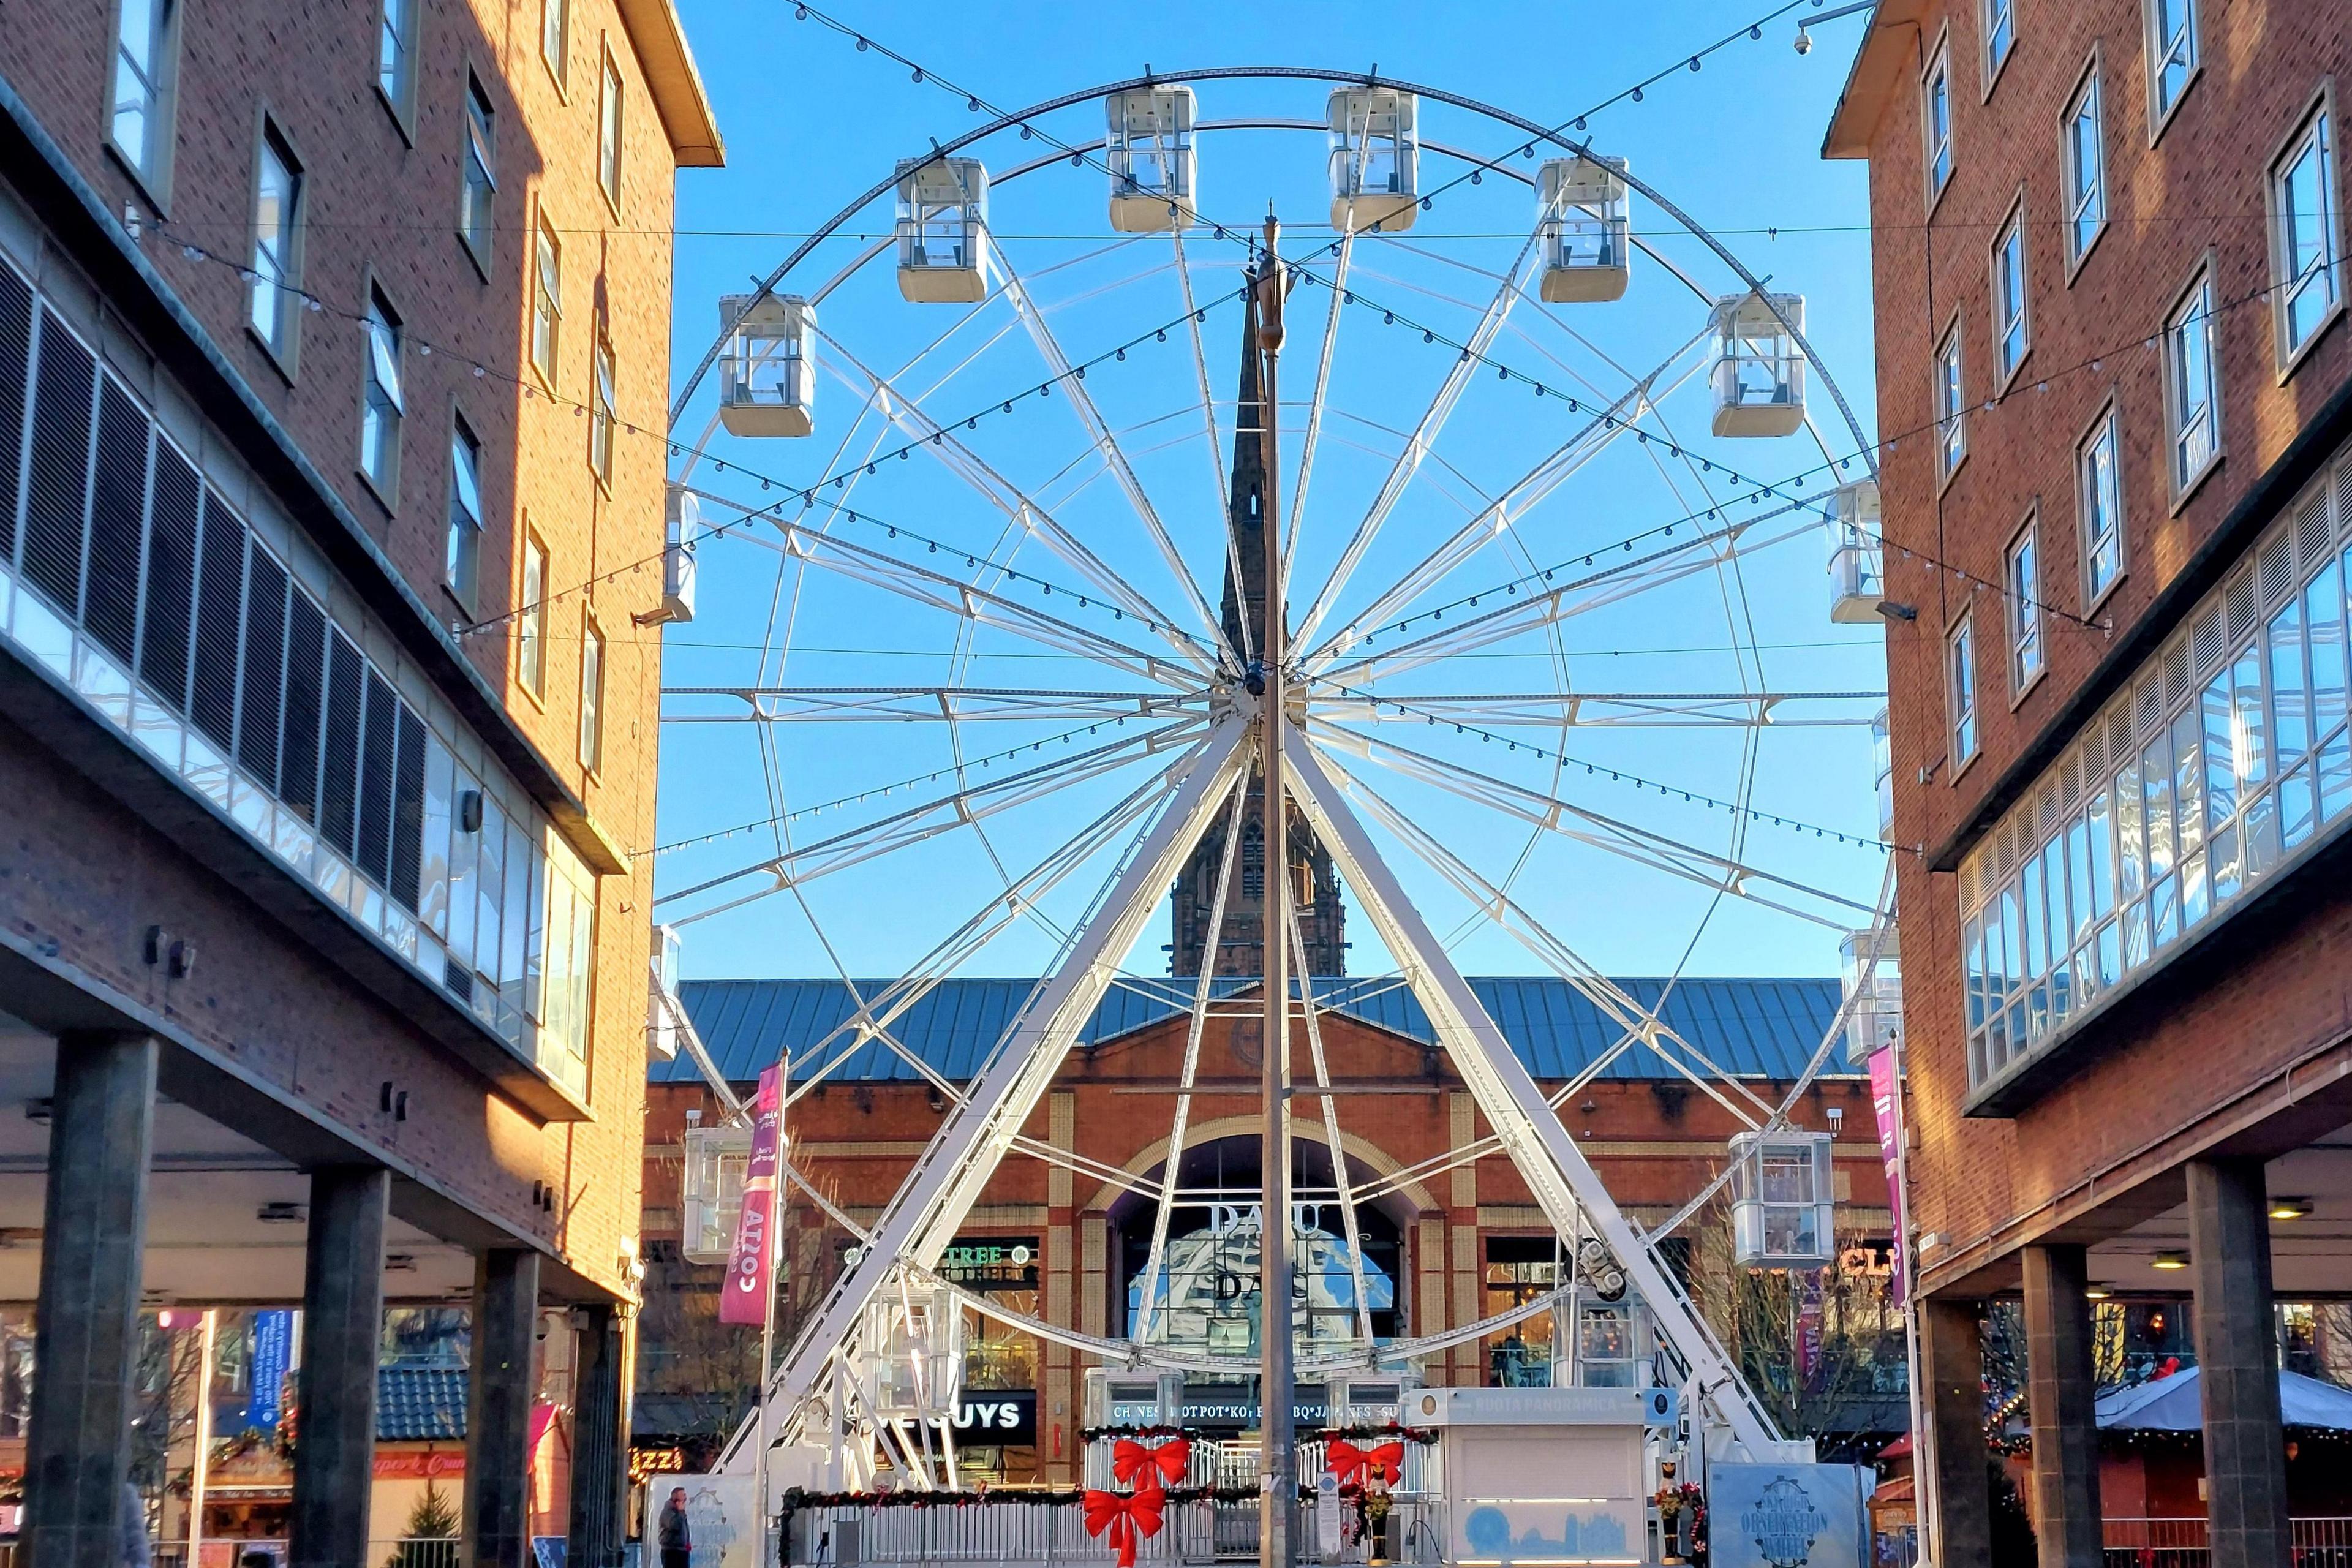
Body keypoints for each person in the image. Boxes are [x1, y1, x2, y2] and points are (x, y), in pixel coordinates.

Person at [657, 1487, 692, 1568]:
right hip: (672, 1551)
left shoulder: (680, 1512)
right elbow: (674, 1526)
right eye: (683, 1495)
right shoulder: (668, 1511)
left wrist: (686, 1543)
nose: (685, 1497)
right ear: (676, 1497)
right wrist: (680, 1512)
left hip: (682, 1550)